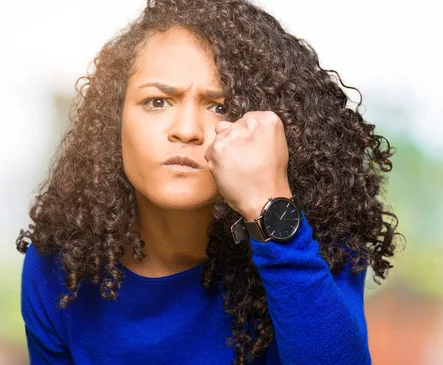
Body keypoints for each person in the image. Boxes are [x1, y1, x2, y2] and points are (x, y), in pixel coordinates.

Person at [16, 0, 400, 364]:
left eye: (221, 107)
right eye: (157, 102)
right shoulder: (59, 266)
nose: (186, 131)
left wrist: (269, 207)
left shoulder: (313, 241)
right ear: (113, 122)